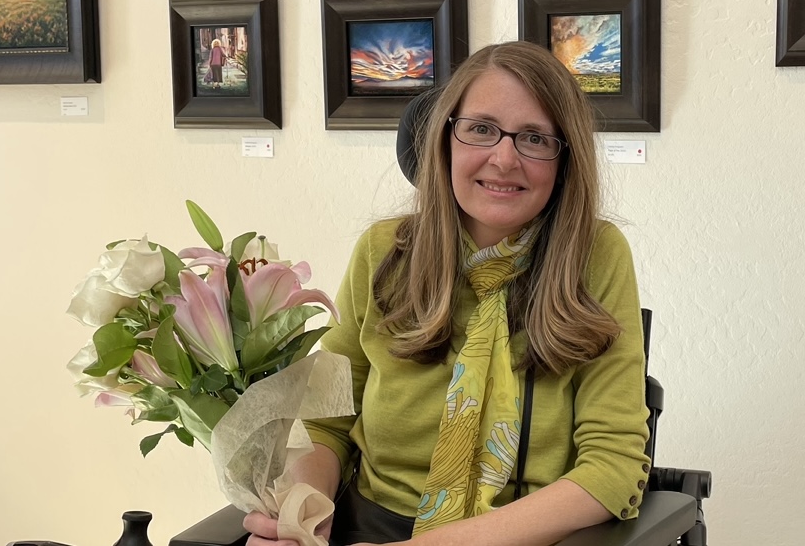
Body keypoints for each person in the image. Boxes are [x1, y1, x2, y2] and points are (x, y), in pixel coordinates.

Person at [245, 42, 651, 546]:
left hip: (524, 534)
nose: (504, 158)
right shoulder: (384, 251)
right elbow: (326, 423)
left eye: (534, 138)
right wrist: (302, 509)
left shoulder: (596, 256)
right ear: (445, 140)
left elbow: (611, 467)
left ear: (565, 159)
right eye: (481, 129)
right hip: (368, 526)